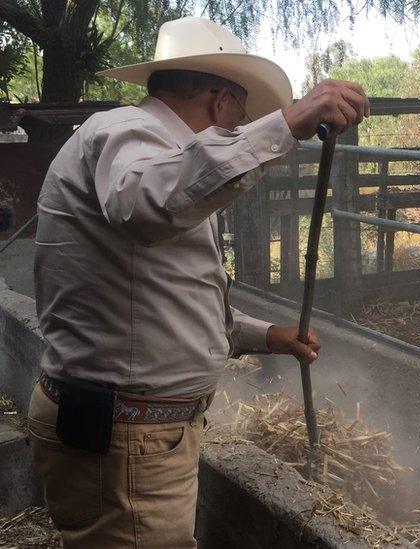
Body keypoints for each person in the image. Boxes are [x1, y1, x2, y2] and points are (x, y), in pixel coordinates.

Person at [26, 16, 369, 548]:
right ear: (219, 101)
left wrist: (263, 336)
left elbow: (162, 301)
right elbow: (143, 203)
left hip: (126, 438)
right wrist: (285, 124)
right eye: (240, 116)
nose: (237, 130)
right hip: (127, 446)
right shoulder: (125, 133)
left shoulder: (157, 154)